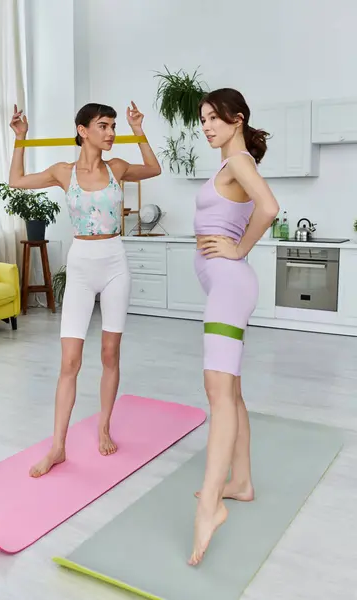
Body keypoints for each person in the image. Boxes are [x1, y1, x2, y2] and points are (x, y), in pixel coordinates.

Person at [8, 101, 161, 477]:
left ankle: (104, 427)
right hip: (80, 266)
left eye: (112, 126)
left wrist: (138, 128)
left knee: (110, 353)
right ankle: (58, 446)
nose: (111, 132)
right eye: (103, 126)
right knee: (69, 362)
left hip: (114, 264)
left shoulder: (117, 169)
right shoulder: (64, 173)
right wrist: (20, 140)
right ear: (83, 130)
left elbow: (154, 168)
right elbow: (16, 182)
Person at [188, 88, 279, 566]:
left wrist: (239, 250)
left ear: (237, 119)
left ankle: (211, 504)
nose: (205, 126)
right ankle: (240, 481)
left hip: (229, 286)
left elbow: (269, 207)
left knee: (217, 392)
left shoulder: (239, 160)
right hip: (223, 284)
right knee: (232, 391)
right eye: (202, 119)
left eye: (213, 118)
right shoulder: (227, 164)